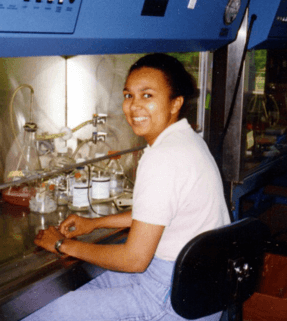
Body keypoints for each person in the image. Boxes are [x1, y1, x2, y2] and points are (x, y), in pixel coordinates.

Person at [22, 53, 231, 321]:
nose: (134, 106)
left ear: (175, 103)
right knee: (81, 290)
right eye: (128, 95)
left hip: (169, 298)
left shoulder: (163, 157)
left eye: (147, 96)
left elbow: (134, 260)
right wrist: (96, 223)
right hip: (197, 289)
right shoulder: (187, 140)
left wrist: (62, 245)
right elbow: (157, 214)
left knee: (49, 313)